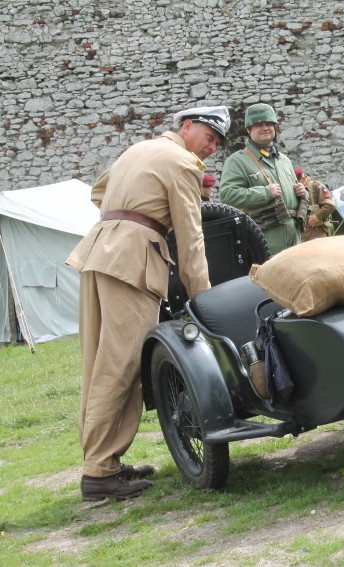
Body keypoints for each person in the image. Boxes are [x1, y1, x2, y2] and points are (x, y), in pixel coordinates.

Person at [67, 105, 230, 501]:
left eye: (217, 143)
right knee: (121, 365)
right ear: (186, 127)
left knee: (99, 362)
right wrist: (203, 297)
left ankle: (102, 463)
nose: (211, 147)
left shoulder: (139, 149)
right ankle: (99, 473)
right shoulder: (182, 163)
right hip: (132, 260)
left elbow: (98, 192)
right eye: (208, 137)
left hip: (99, 251)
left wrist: (131, 212)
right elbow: (191, 239)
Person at [219, 103, 307, 254]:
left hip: (294, 238)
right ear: (249, 130)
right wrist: (265, 193)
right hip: (265, 240)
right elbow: (227, 195)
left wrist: (302, 192)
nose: (265, 128)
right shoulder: (237, 161)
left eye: (269, 124)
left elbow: (294, 197)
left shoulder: (284, 160)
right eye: (259, 125)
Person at [294, 167, 337, 241]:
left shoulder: (316, 186)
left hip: (318, 232)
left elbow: (330, 205)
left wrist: (315, 217)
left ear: (304, 179)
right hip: (301, 235)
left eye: (297, 182)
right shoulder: (293, 190)